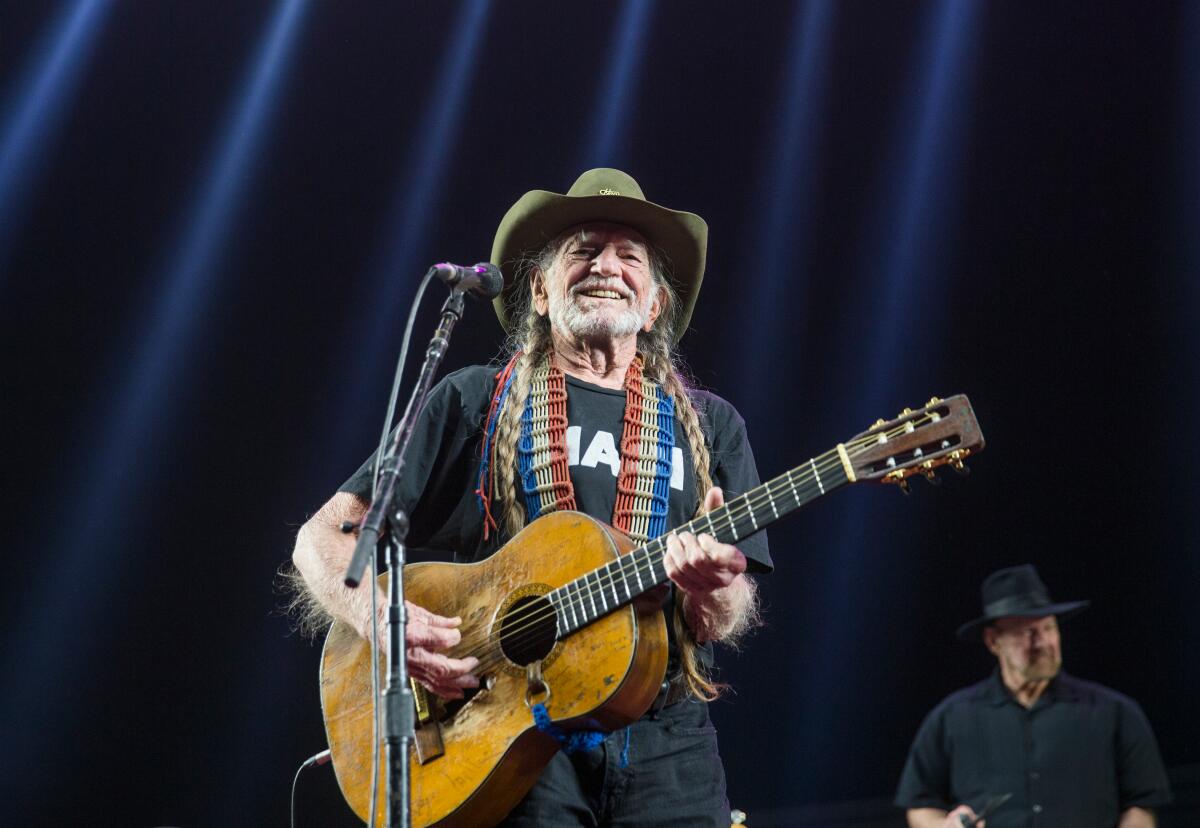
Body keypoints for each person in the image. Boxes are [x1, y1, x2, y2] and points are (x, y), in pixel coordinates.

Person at [291, 168, 772, 826]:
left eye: (629, 256)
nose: (607, 266)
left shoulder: (711, 426)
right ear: (540, 292)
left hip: (666, 740)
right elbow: (320, 538)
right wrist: (380, 619)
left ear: (654, 305)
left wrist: (712, 587)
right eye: (583, 250)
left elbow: (720, 619)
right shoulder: (473, 400)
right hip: (505, 729)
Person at [895, 564, 1171, 828]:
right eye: (1026, 632)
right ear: (993, 641)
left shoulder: (1114, 713)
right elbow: (920, 805)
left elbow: (1141, 807)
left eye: (1049, 628)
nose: (1042, 643)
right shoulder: (951, 718)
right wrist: (944, 825)